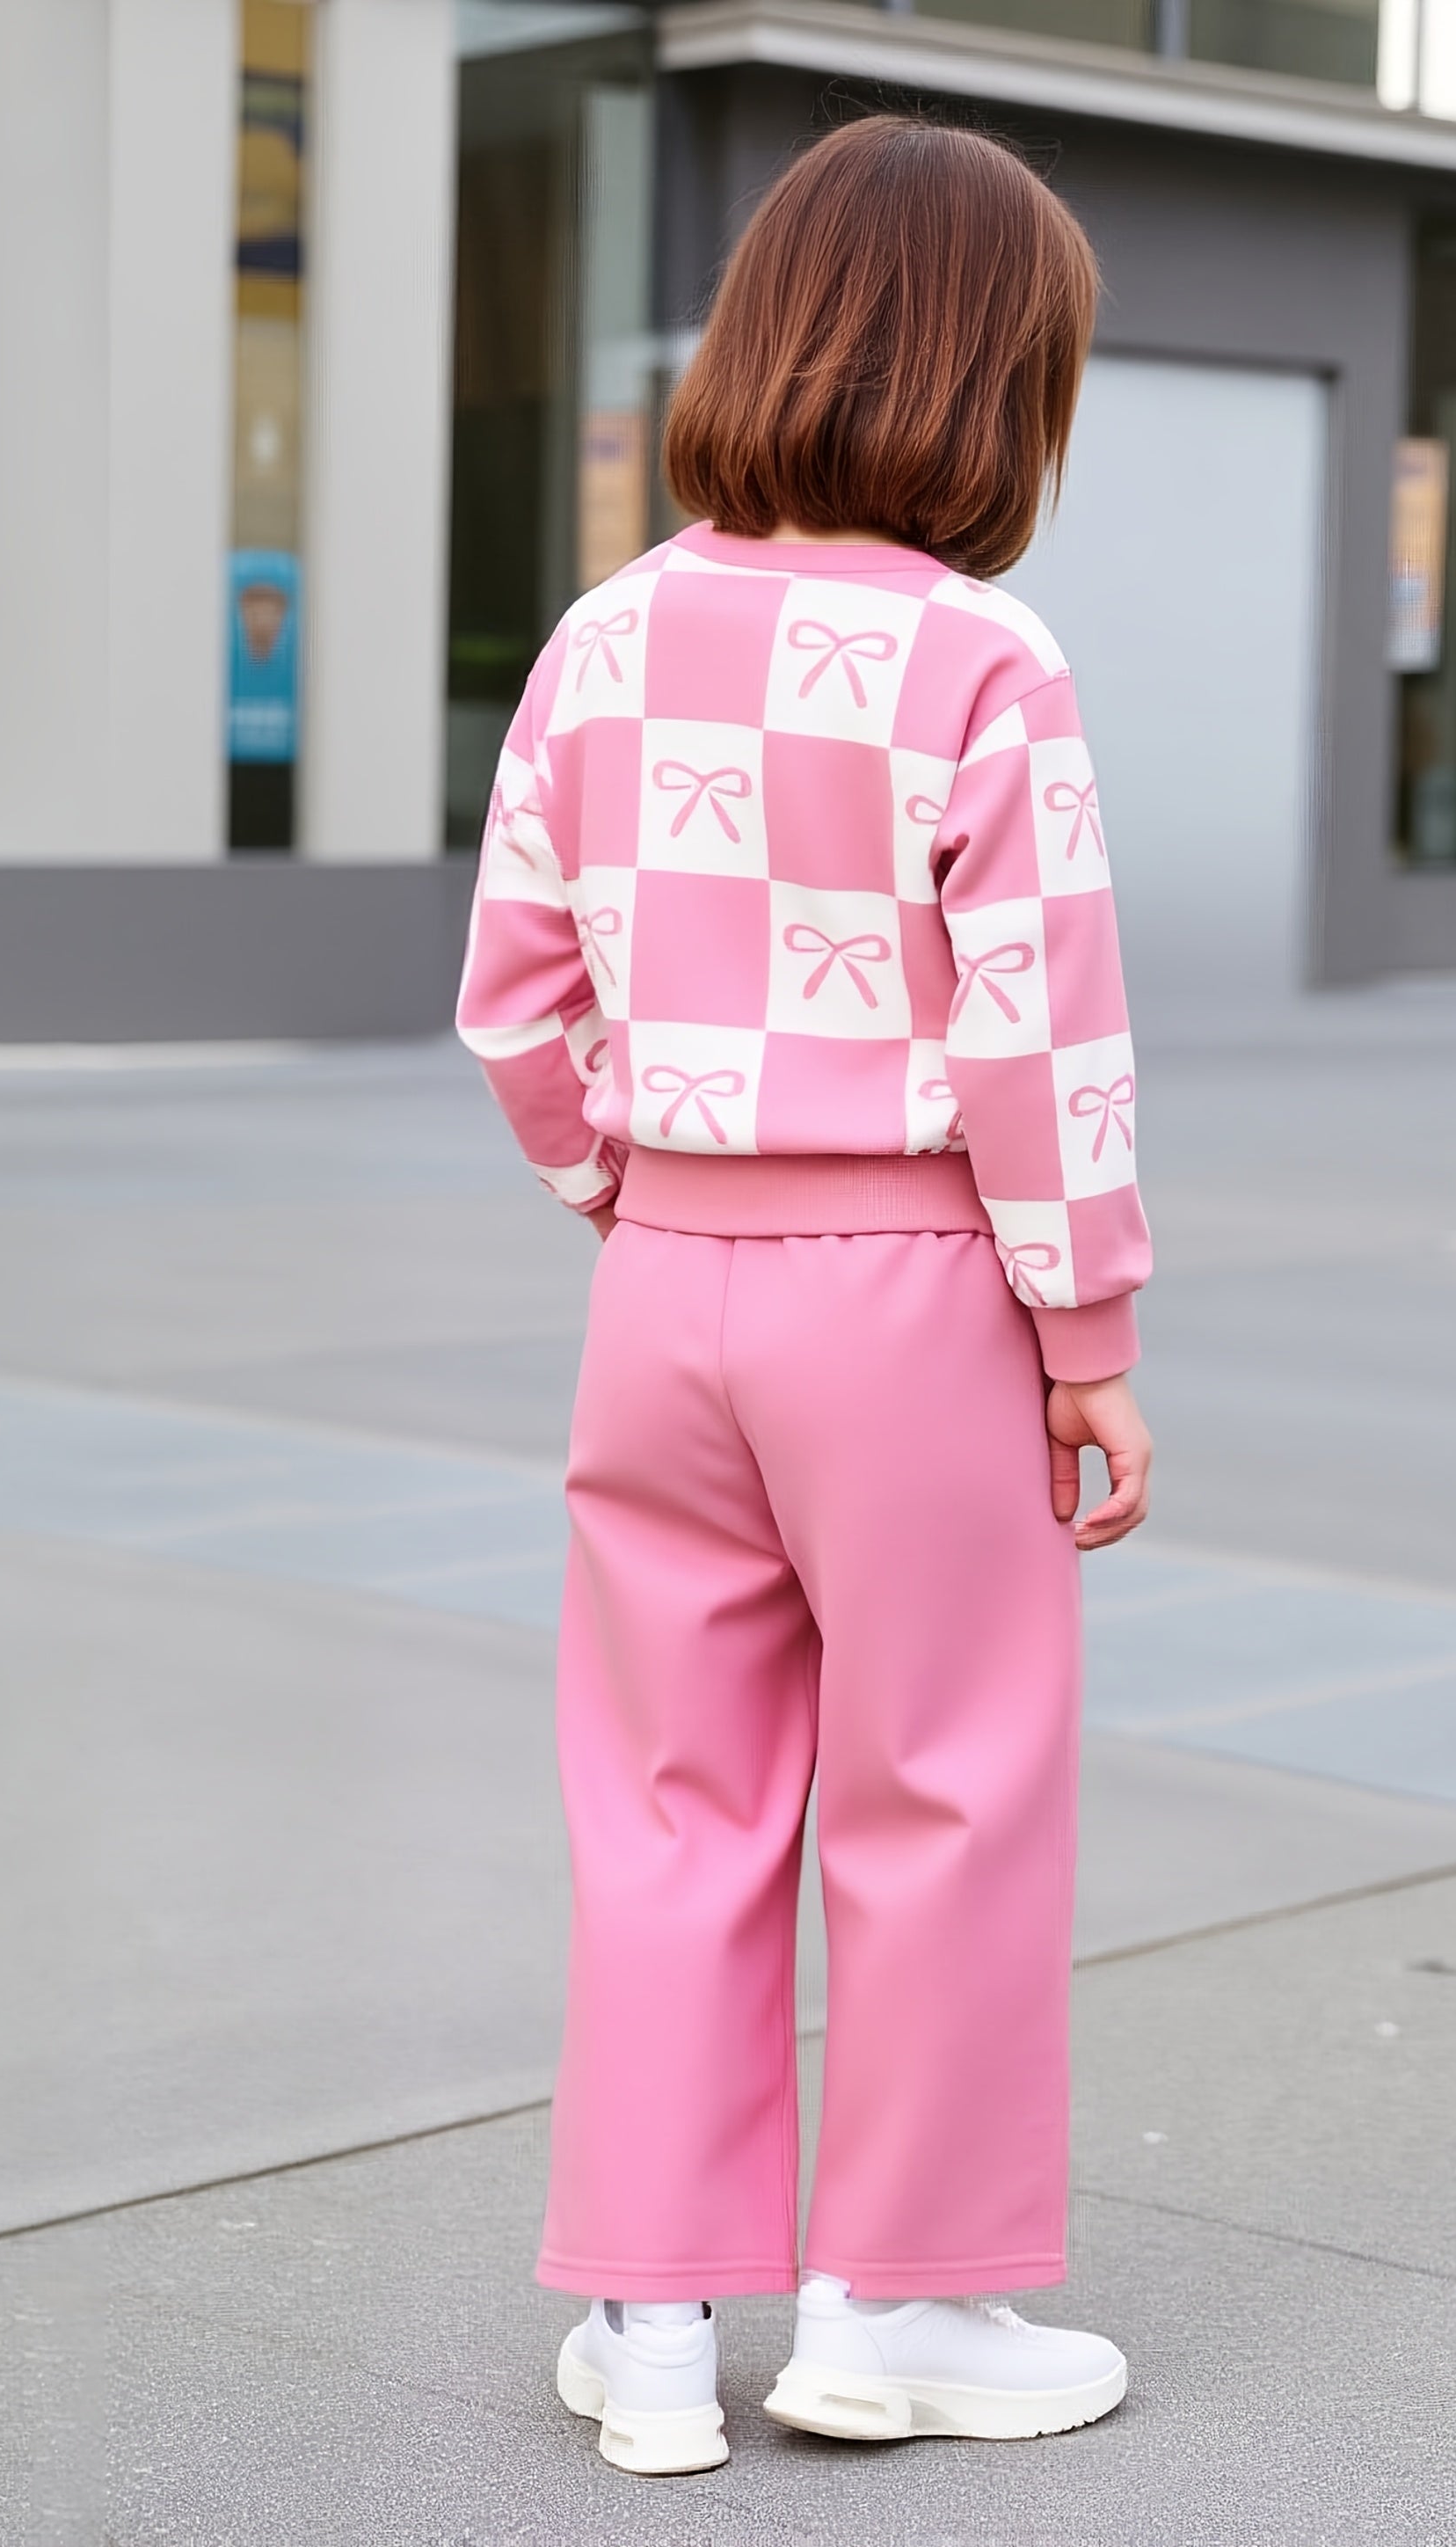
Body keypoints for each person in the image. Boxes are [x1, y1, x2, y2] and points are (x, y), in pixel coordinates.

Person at [457, 113, 1153, 2478]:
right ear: (994, 384)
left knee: (669, 1794)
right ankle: (898, 2306)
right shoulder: (984, 658)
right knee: (945, 1785)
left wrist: (620, 1189)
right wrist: (1091, 1339)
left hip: (668, 1280)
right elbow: (1040, 1031)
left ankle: (651, 2328)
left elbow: (513, 989)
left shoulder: (606, 631)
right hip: (919, 1282)